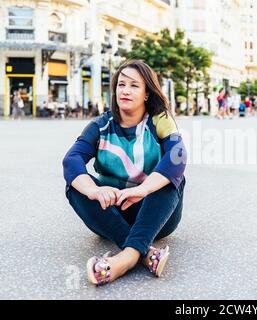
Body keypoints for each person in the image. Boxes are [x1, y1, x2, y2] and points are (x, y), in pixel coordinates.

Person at [62, 60, 187, 286]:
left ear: (147, 93)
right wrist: (94, 191)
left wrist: (143, 189)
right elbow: (72, 160)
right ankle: (144, 251)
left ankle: (126, 258)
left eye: (134, 85)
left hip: (157, 215)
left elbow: (178, 157)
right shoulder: (100, 126)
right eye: (121, 84)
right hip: (112, 212)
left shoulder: (160, 120)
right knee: (76, 185)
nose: (125, 90)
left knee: (172, 179)